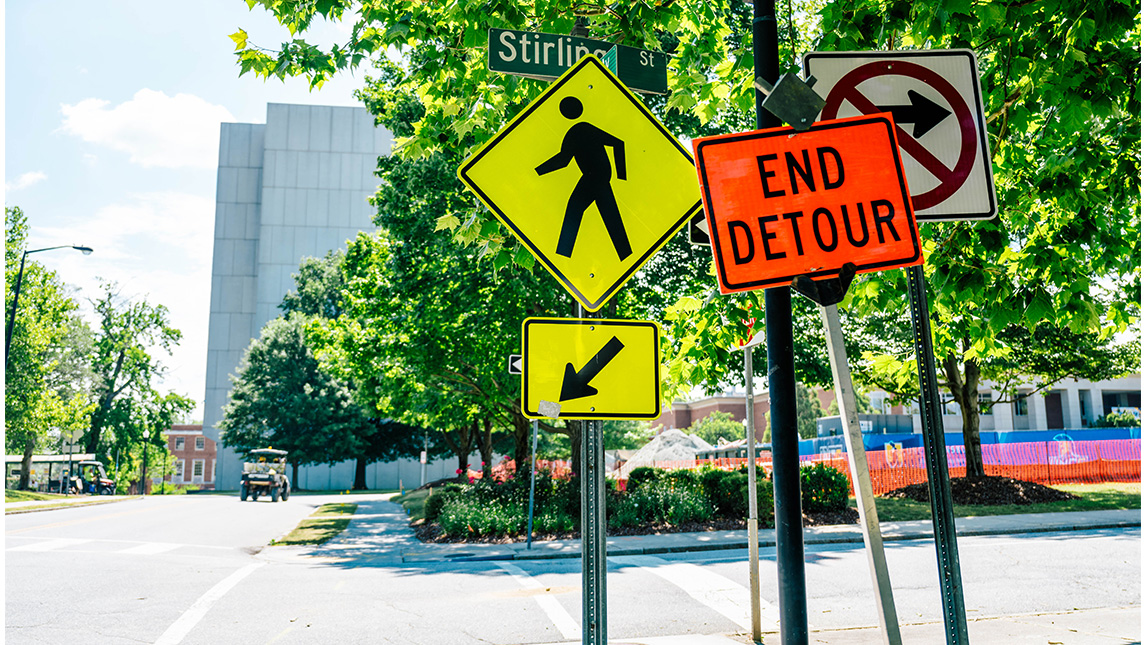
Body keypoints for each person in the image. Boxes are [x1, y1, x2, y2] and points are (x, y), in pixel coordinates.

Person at [536, 96, 632, 261]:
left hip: (595, 176)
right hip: (597, 176)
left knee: (575, 209)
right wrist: (537, 171)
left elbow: (618, 143)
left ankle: (563, 255)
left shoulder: (580, 129)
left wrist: (622, 176)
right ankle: (625, 254)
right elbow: (564, 160)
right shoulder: (578, 130)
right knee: (609, 215)